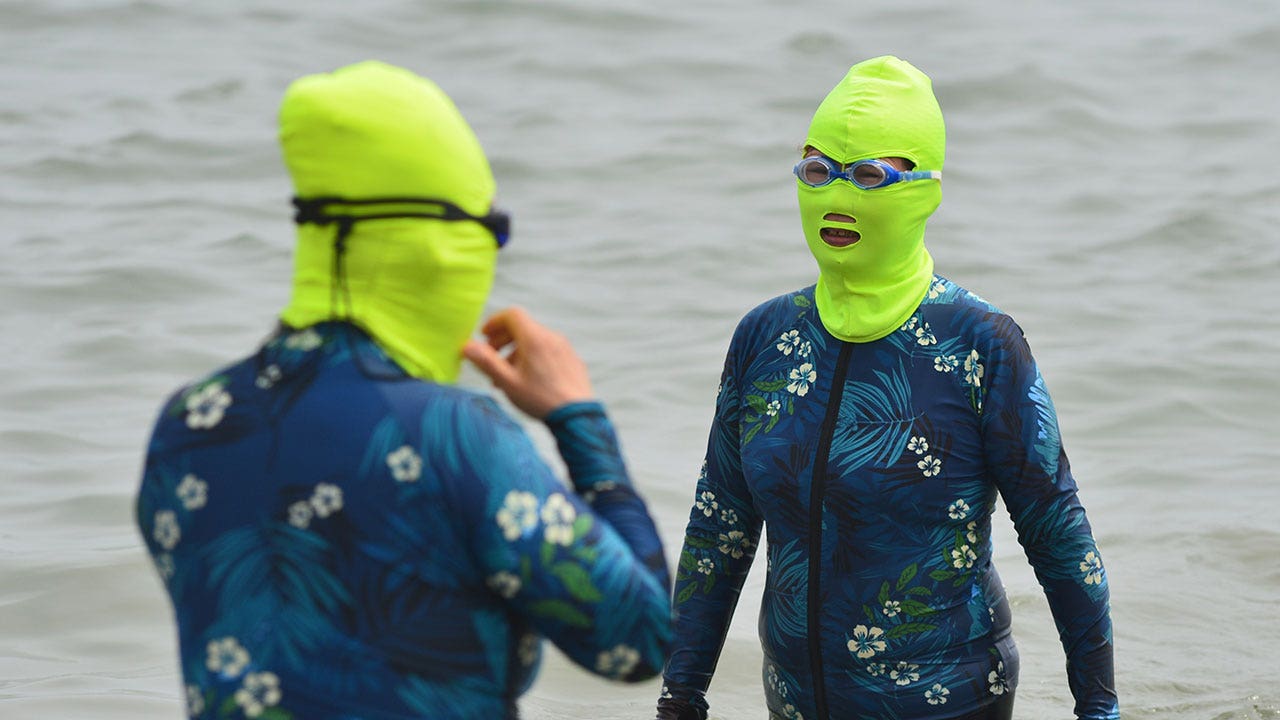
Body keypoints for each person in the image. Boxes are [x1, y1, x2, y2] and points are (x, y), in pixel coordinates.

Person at [135, 60, 672, 720]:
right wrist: (577, 418)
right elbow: (642, 639)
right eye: (491, 231)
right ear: (438, 247)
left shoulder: (188, 424)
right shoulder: (454, 434)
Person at [655, 56, 1118, 720]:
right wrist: (682, 691)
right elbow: (719, 531)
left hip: (949, 702)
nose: (837, 197)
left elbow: (1058, 535)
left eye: (870, 175)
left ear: (924, 190)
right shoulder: (763, 339)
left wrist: (1097, 709)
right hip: (794, 701)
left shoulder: (980, 344)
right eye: (817, 171)